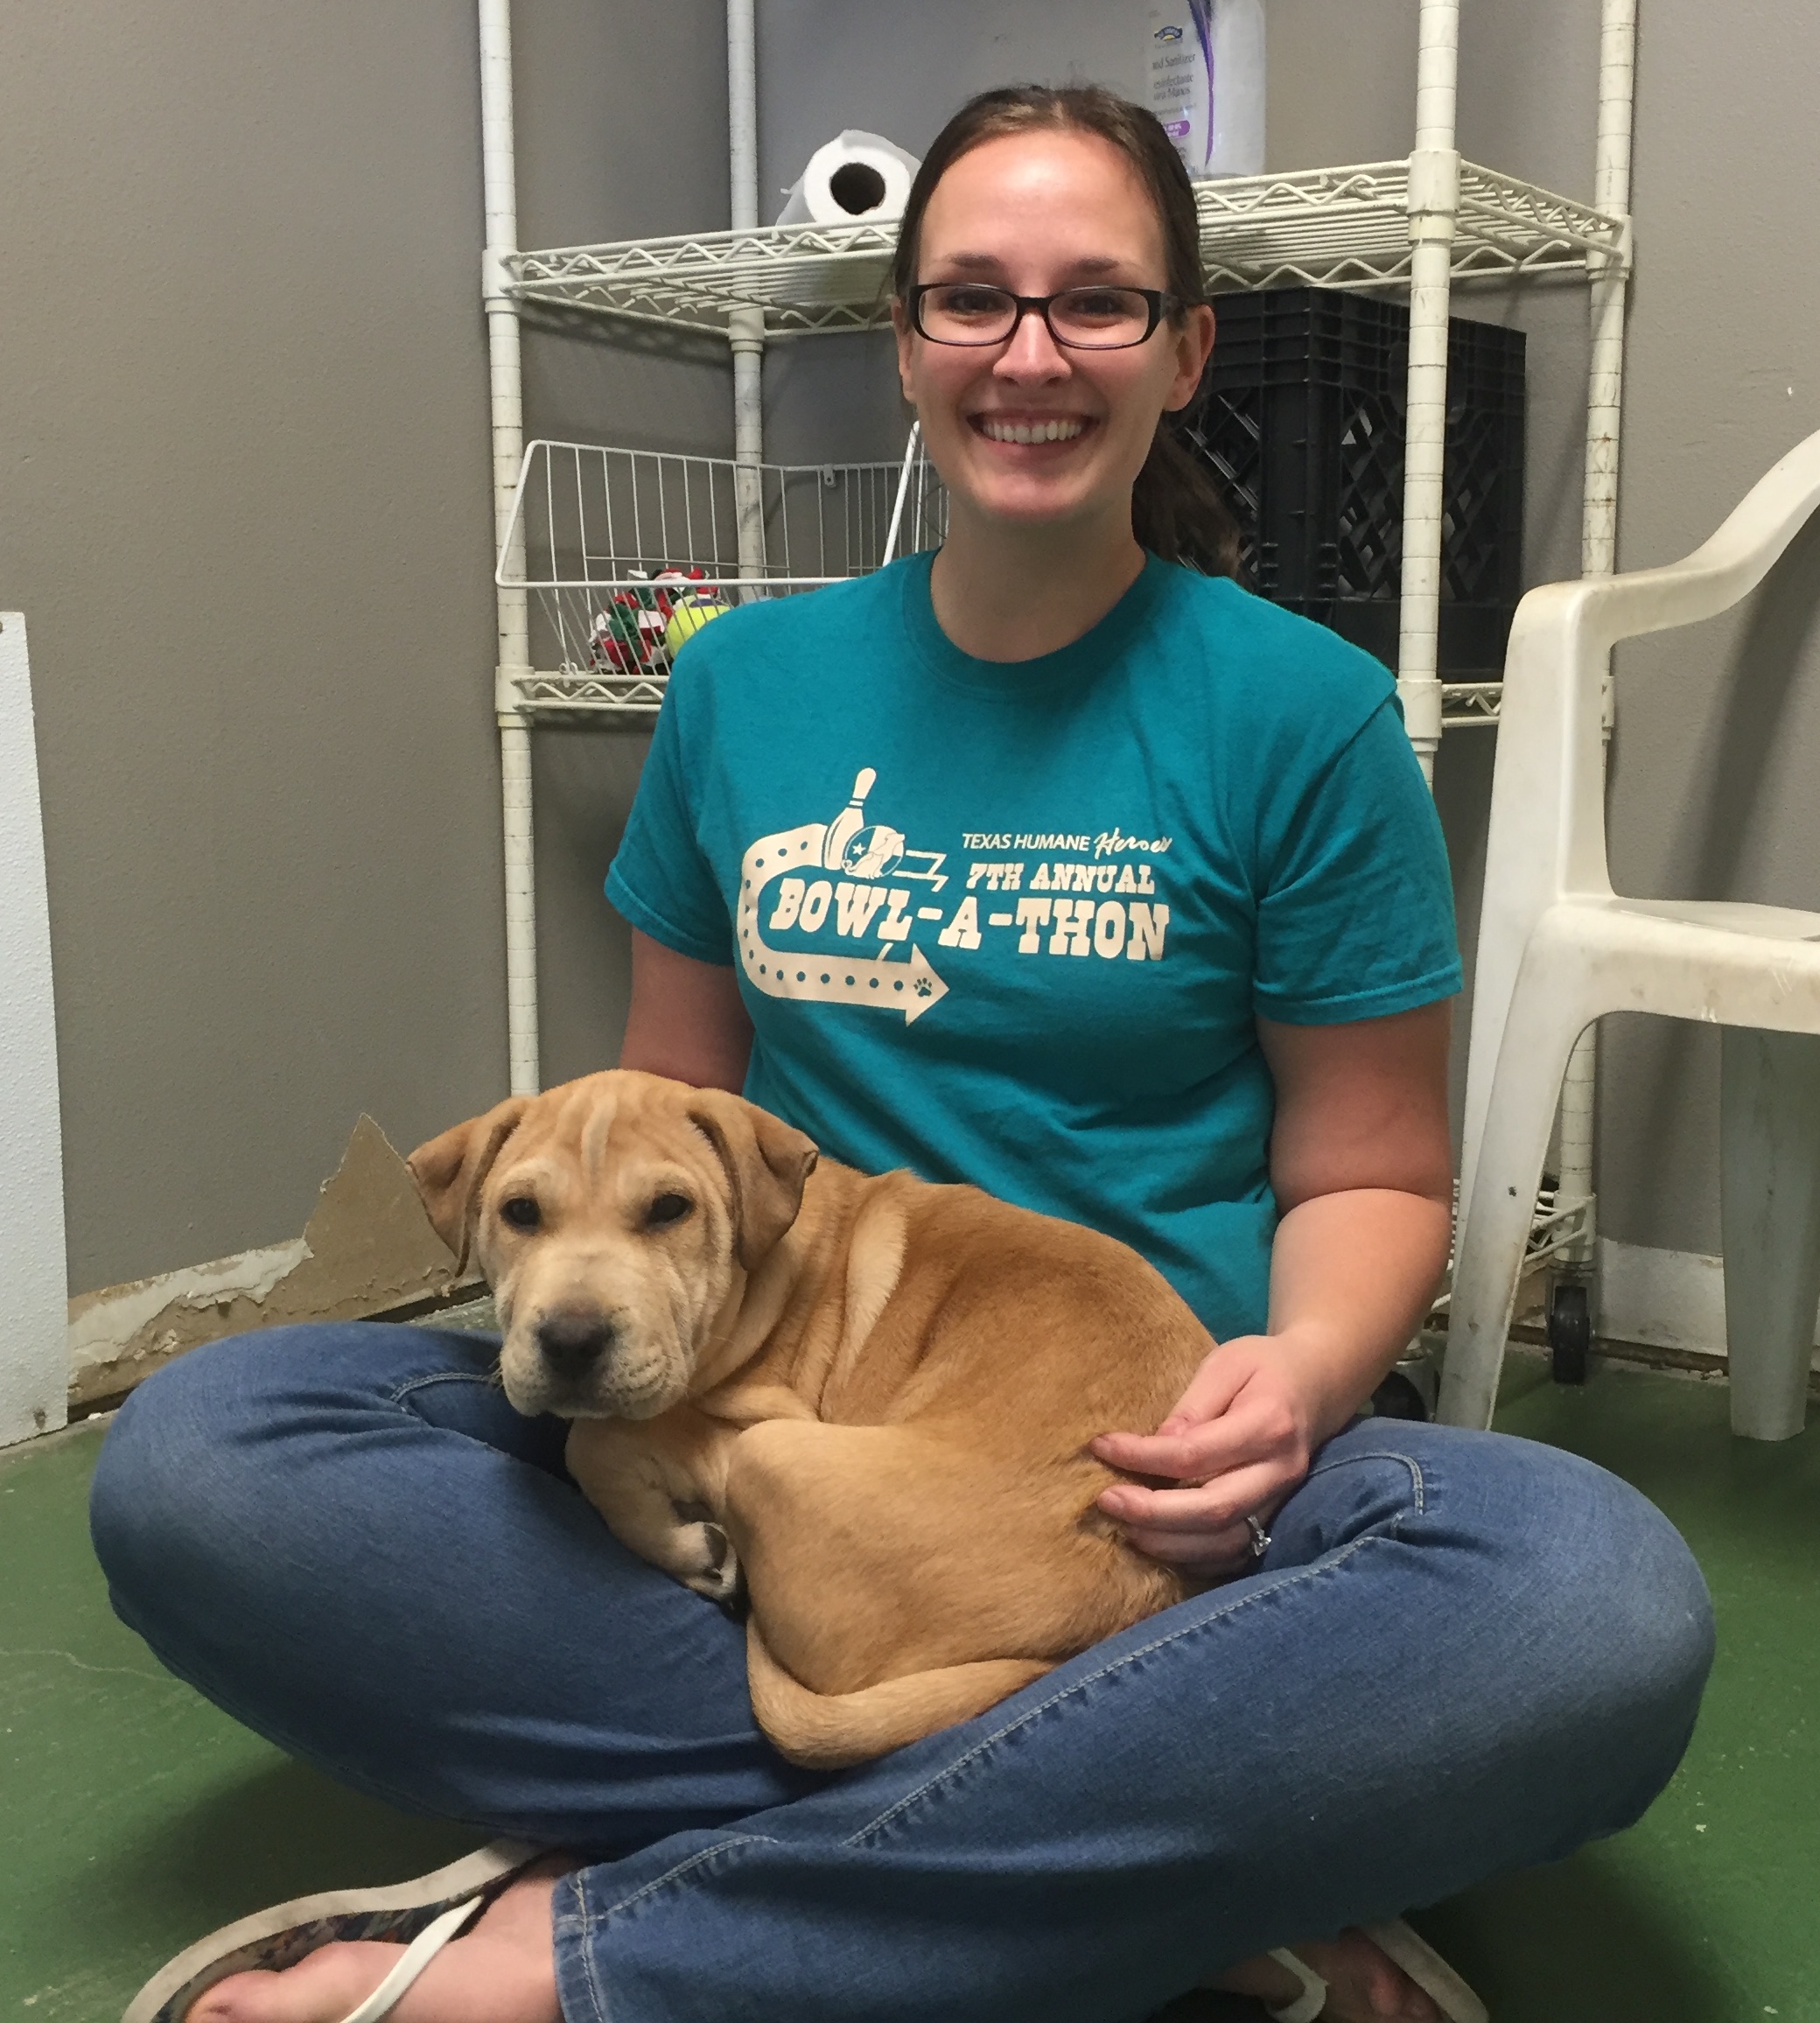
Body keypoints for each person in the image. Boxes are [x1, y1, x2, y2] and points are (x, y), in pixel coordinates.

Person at [92, 85, 1713, 2023]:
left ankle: (606, 1933)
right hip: (755, 1424)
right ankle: (1137, 1860)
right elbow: (667, 1118)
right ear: (904, 343)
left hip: (1166, 1489)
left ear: (1184, 350)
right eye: (971, 299)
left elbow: (1367, 1170)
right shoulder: (741, 685)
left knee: (1583, 1601)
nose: (1027, 354)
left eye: (1094, 303)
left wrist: (1284, 1383)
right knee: (205, 1452)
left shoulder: (1300, 709)